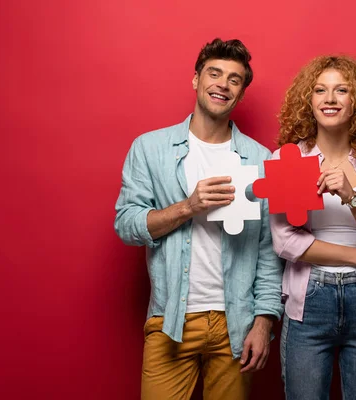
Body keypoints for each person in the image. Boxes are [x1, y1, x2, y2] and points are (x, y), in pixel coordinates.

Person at [114, 38, 283, 400]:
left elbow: (269, 250)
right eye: (215, 73)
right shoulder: (150, 148)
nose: (223, 84)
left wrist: (264, 320)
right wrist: (187, 207)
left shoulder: (260, 160)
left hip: (235, 323)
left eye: (234, 79)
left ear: (240, 92)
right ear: (196, 80)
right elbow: (126, 224)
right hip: (170, 320)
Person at [272, 55, 356, 400]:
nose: (329, 99)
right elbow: (285, 242)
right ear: (308, 100)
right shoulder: (287, 159)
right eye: (320, 90)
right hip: (309, 297)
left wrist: (351, 196)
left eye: (341, 90)